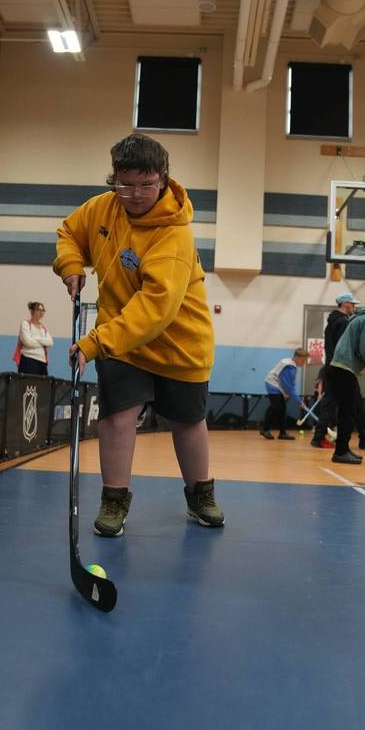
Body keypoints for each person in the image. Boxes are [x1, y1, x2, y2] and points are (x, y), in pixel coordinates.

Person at [53, 132, 224, 537]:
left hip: (179, 341)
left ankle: (200, 493)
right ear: (114, 179)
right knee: (116, 418)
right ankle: (114, 501)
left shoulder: (174, 233)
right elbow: (69, 233)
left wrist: (94, 343)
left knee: (188, 421)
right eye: (125, 184)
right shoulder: (101, 209)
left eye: (145, 184)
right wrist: (71, 265)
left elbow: (155, 310)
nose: (134, 194)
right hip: (122, 339)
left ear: (163, 179)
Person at [311, 292, 365, 451]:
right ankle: (321, 438)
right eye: (353, 304)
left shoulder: (333, 321)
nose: (354, 307)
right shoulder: (343, 322)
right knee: (336, 405)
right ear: (345, 304)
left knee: (354, 403)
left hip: (334, 367)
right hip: (340, 368)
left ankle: (364, 437)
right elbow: (348, 348)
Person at [324, 293, 365, 464]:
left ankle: (344, 449)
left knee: (350, 410)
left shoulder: (357, 318)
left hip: (340, 368)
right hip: (343, 369)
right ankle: (340, 452)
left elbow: (356, 349)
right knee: (347, 412)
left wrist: (362, 365)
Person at [260, 348, 309, 440]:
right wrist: (299, 401)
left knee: (282, 409)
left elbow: (289, 385)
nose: (304, 363)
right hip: (272, 384)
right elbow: (289, 387)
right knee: (276, 407)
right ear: (297, 357)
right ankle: (264, 429)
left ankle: (282, 433)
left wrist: (298, 400)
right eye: (303, 360)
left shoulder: (292, 365)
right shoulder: (289, 367)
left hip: (278, 386)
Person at [16, 301, 53, 376]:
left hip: (42, 361)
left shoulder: (43, 328)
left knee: (42, 385)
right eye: (38, 310)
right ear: (32, 311)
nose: (41, 312)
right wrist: (42, 343)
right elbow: (28, 342)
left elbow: (50, 342)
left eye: (43, 310)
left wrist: (35, 338)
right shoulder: (25, 324)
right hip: (28, 359)